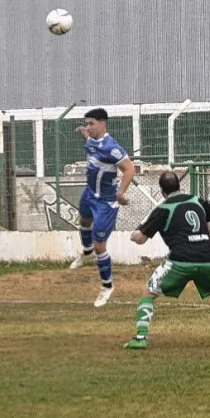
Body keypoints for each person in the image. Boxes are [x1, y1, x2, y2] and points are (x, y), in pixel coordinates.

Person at [125, 171, 210, 350]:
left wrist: (133, 235)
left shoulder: (163, 209)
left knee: (149, 293)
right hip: (208, 258)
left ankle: (140, 338)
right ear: (179, 185)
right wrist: (203, 232)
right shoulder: (196, 200)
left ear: (162, 191)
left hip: (180, 261)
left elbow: (141, 239)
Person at [68, 108, 136, 307]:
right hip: (89, 193)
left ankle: (107, 286)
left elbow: (129, 169)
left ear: (102, 123)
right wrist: (84, 131)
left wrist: (120, 193)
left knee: (101, 246)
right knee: (84, 220)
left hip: (106, 201)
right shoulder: (90, 142)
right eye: (87, 123)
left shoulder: (111, 147)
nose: (88, 127)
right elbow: (88, 140)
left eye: (91, 124)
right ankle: (86, 252)